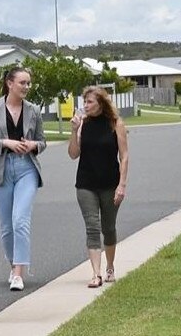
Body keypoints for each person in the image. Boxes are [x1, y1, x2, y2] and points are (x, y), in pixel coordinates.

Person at [0, 67, 46, 291]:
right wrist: (5, 143)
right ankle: (12, 264)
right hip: (0, 169)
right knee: (7, 226)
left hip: (26, 168)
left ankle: (18, 273)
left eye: (29, 83)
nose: (27, 87)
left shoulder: (34, 110)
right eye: (23, 83)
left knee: (20, 220)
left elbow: (42, 141)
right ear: (10, 83)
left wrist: (33, 145)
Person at [68, 86, 129, 288]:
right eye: (84, 102)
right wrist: (74, 131)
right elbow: (73, 154)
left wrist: (122, 184)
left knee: (108, 228)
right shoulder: (83, 125)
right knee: (92, 228)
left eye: (90, 102)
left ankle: (109, 267)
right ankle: (96, 273)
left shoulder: (115, 123)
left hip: (110, 184)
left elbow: (124, 156)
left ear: (101, 103)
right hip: (86, 184)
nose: (85, 106)